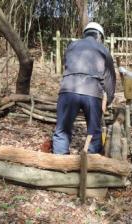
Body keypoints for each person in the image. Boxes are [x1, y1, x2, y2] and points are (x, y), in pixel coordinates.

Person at [52, 22, 116, 154]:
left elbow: (67, 66)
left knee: (62, 130)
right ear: (99, 36)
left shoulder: (71, 46)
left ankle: (60, 163)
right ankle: (92, 165)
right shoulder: (103, 50)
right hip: (92, 93)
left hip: (68, 90)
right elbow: (109, 79)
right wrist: (108, 99)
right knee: (94, 132)